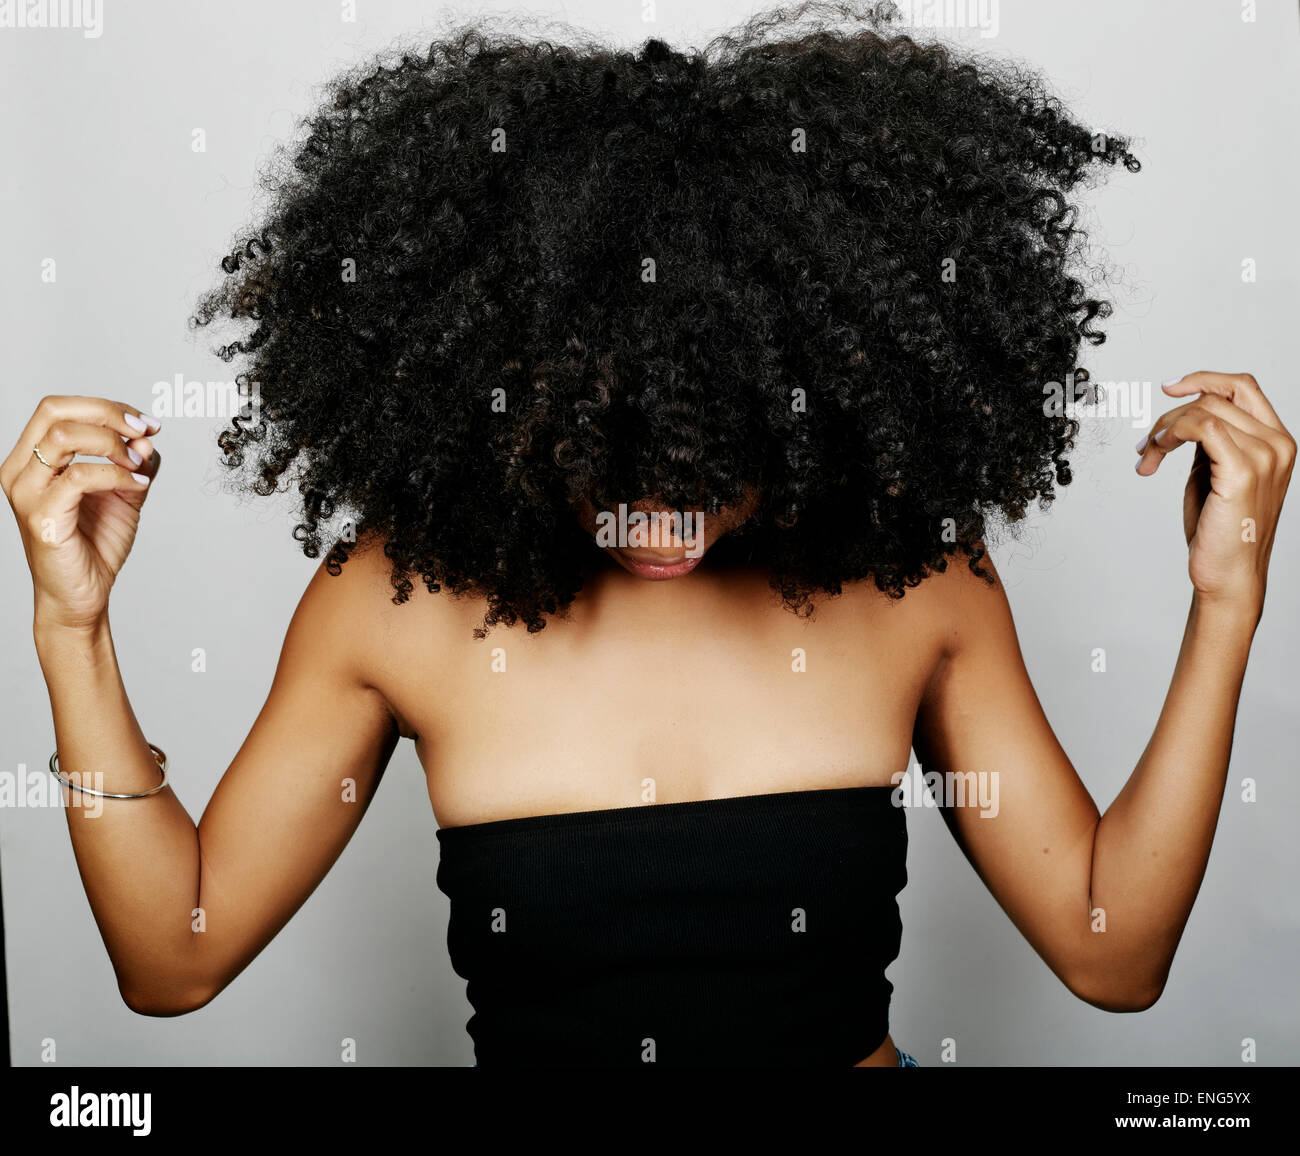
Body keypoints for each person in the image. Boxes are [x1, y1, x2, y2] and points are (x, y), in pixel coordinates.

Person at [2, 5, 1292, 1067]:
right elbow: (172, 960)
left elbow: (1112, 954)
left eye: (716, 471)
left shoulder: (917, 587)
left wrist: (1225, 604)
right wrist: (73, 628)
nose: (662, 524)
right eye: (606, 463)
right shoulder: (397, 602)